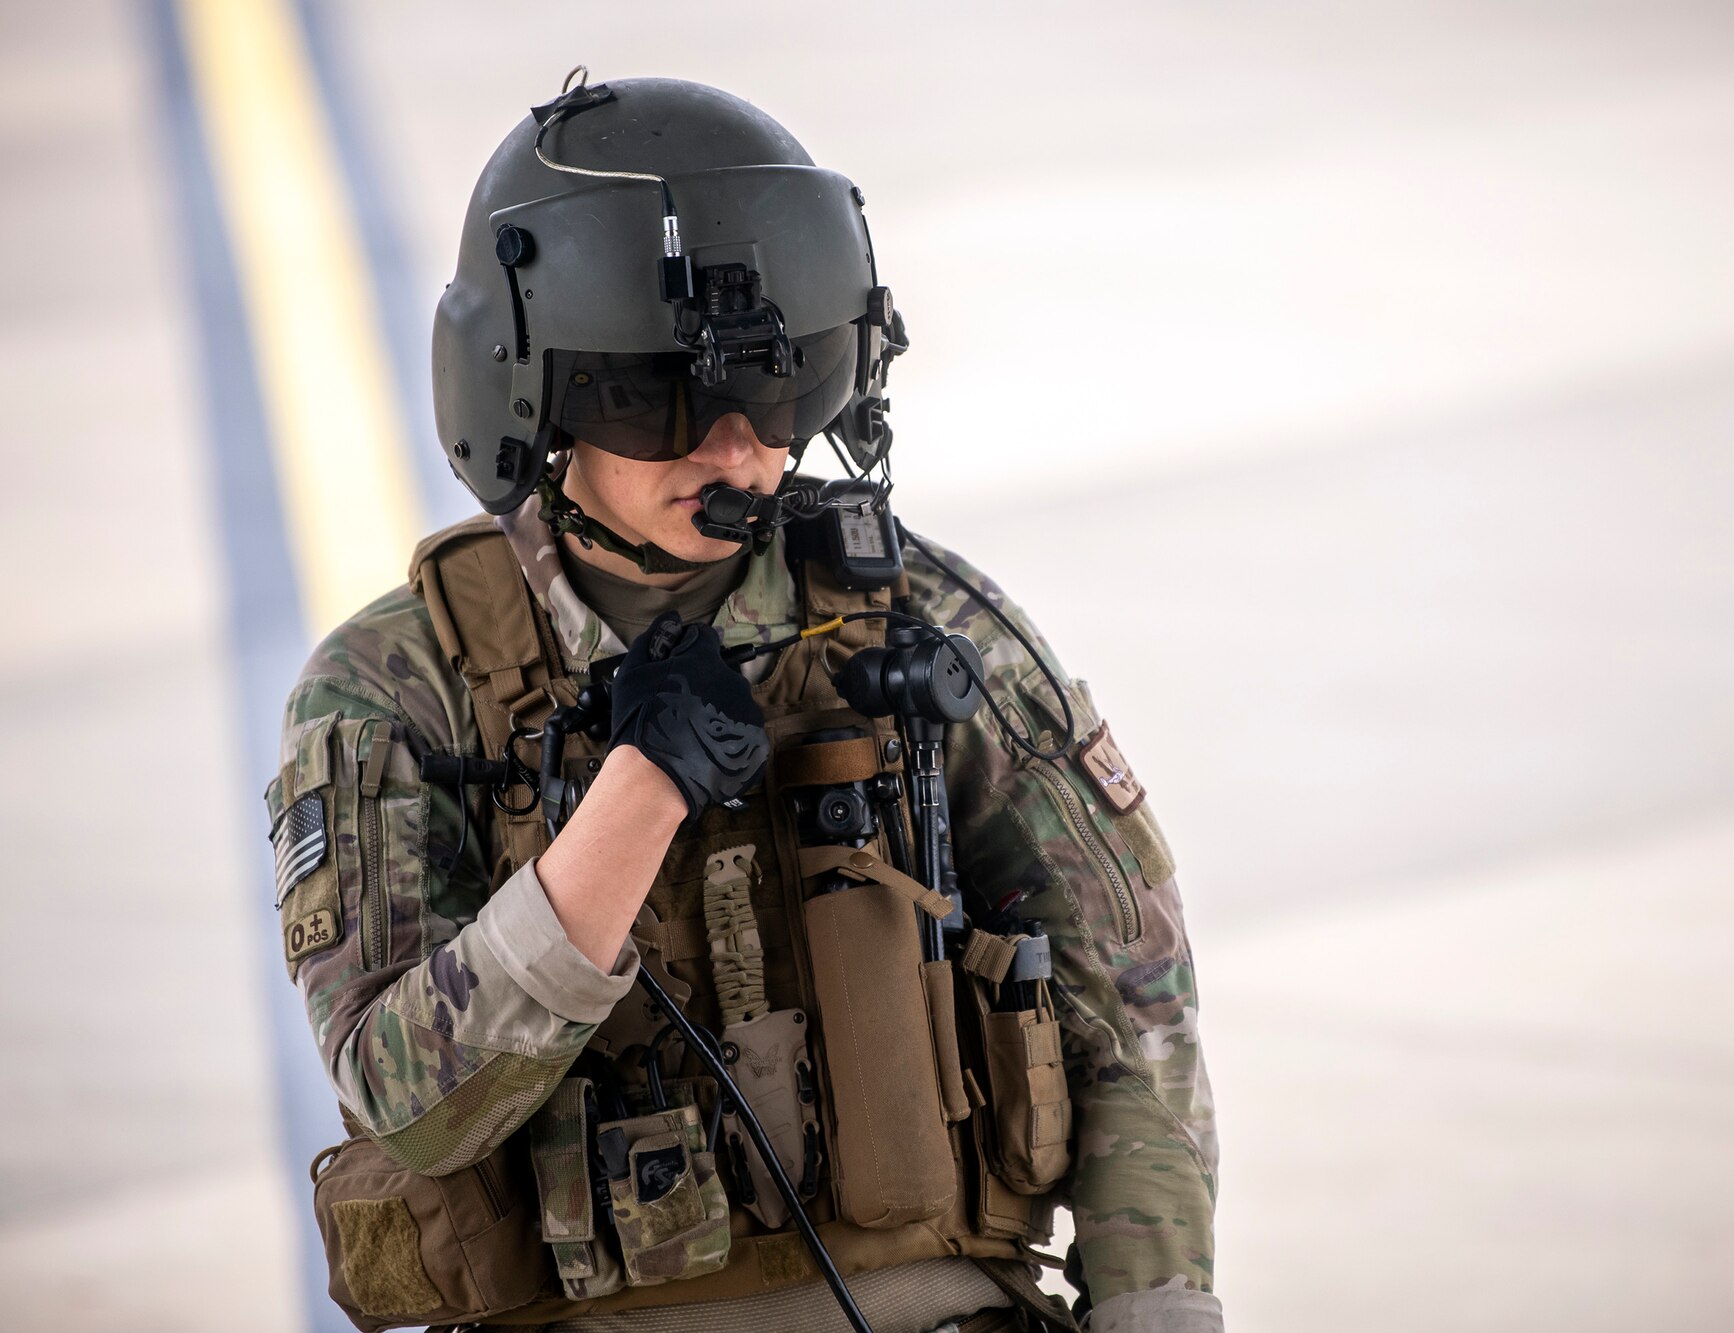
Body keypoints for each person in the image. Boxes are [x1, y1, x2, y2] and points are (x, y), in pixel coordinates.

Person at [267, 73, 1220, 1333]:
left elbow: (1131, 994)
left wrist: (1155, 1314)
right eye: (661, 400)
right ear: (532, 396)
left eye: (778, 391)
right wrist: (638, 795)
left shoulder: (919, 614)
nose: (735, 451)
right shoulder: (396, 686)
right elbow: (416, 1101)